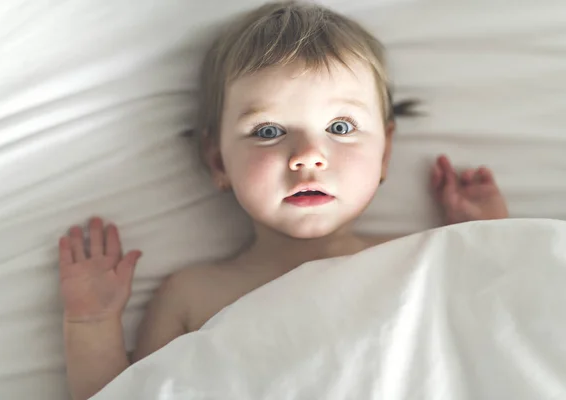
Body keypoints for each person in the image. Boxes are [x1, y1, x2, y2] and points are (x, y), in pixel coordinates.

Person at [58, 2, 509, 399]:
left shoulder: (422, 256)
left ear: (385, 151)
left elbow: (500, 341)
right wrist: (93, 324)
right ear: (218, 161)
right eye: (269, 131)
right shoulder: (193, 294)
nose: (308, 156)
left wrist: (490, 239)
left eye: (341, 127)